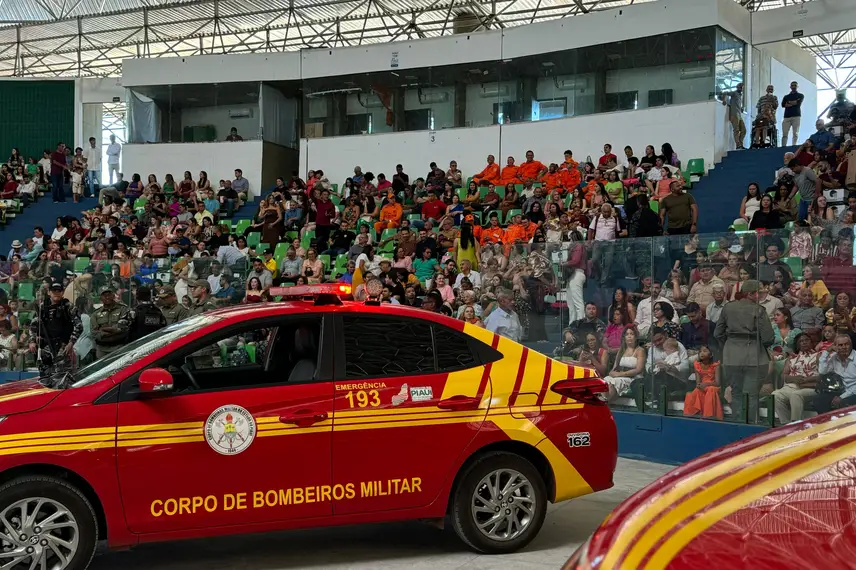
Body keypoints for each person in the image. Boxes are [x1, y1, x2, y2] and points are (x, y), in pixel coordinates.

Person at [714, 279, 775, 422]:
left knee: (736, 393)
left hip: (731, 356)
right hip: (754, 355)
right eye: (758, 293)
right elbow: (768, 338)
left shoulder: (728, 307)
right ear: (750, 294)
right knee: (751, 394)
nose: (760, 296)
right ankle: (750, 427)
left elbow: (717, 333)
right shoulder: (759, 310)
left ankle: (738, 424)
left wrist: (730, 343)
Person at [29, 282, 83, 376]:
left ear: (62, 292)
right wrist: (32, 341)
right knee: (45, 377)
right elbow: (33, 326)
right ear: (49, 292)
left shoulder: (68, 306)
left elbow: (79, 326)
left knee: (63, 377)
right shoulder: (42, 306)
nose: (57, 293)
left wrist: (71, 343)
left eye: (59, 291)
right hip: (45, 347)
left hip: (62, 347)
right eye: (54, 291)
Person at [772, 333, 819, 424]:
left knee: (796, 395)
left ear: (811, 342)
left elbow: (823, 376)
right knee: (775, 394)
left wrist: (806, 380)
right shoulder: (792, 358)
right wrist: (794, 379)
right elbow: (784, 376)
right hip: (792, 386)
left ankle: (796, 425)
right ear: (797, 345)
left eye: (806, 340)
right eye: (801, 341)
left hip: (810, 387)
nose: (804, 342)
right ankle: (786, 424)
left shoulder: (818, 356)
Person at [815, 334, 856, 414]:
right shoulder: (834, 357)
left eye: (846, 344)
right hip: (840, 390)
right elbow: (822, 371)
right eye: (840, 345)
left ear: (851, 345)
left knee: (843, 403)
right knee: (819, 401)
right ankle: (826, 424)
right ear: (835, 346)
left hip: (854, 392)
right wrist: (827, 351)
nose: (844, 347)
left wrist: (842, 397)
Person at [683, 345, 723, 420]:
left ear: (711, 354)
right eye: (700, 351)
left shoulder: (716, 365)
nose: (702, 353)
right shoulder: (697, 365)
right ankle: (693, 417)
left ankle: (708, 417)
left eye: (705, 351)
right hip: (703, 387)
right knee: (692, 394)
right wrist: (700, 386)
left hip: (713, 386)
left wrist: (706, 384)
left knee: (711, 390)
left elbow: (717, 383)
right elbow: (698, 383)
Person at [91, 288, 132, 359]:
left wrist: (105, 330)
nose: (107, 297)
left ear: (113, 296)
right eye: (104, 295)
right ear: (101, 298)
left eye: (109, 295)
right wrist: (113, 331)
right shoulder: (96, 314)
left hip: (118, 347)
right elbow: (93, 332)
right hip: (102, 349)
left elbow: (125, 327)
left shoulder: (123, 309)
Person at [721, 82, 746, 150]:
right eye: (740, 87)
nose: (741, 88)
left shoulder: (740, 95)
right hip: (734, 114)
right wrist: (724, 100)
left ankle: (740, 143)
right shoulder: (734, 93)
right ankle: (738, 145)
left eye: (742, 87)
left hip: (739, 114)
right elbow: (725, 92)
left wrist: (741, 108)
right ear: (737, 87)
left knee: (743, 130)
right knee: (736, 129)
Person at [781, 80, 804, 147]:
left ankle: (794, 146)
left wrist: (788, 102)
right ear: (790, 87)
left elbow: (798, 103)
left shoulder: (801, 95)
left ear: (797, 87)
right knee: (785, 133)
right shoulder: (786, 96)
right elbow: (783, 105)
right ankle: (783, 146)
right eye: (792, 85)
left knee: (795, 133)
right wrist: (794, 102)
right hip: (787, 116)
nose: (794, 87)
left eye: (795, 85)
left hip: (796, 116)